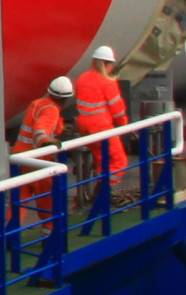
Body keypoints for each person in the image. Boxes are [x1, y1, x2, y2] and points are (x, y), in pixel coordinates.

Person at [69, 47, 130, 207]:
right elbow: (118, 110)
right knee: (119, 161)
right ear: (106, 64)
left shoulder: (82, 78)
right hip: (102, 129)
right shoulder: (108, 83)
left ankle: (99, 193)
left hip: (85, 128)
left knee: (102, 160)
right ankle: (102, 192)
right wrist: (124, 126)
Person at [14, 75, 73, 236]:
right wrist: (49, 142)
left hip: (20, 158)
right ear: (66, 98)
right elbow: (40, 131)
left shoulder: (37, 103)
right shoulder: (52, 109)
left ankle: (10, 234)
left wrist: (59, 127)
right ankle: (49, 235)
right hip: (37, 161)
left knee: (19, 197)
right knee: (46, 199)